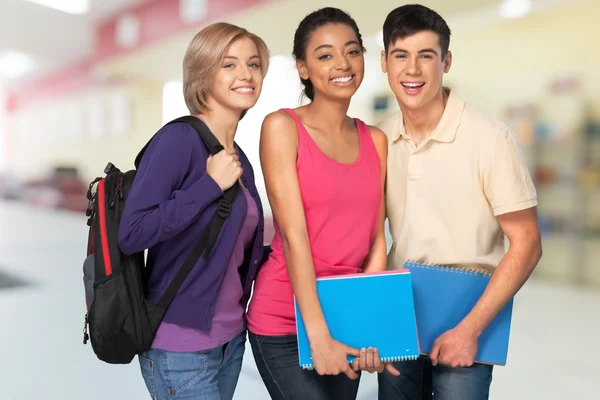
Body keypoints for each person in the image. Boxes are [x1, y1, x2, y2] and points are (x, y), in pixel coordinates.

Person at [376, 4, 543, 400]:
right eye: (400, 55)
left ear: (446, 61)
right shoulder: (378, 138)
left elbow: (527, 244)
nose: (412, 70)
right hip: (401, 314)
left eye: (426, 56)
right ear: (384, 62)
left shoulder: (490, 139)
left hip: (471, 315)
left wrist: (470, 329)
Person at [245, 7, 397, 400]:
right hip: (286, 319)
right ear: (303, 68)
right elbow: (294, 237)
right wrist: (319, 336)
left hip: (346, 316)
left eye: (352, 51)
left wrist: (366, 327)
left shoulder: (376, 141)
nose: (343, 64)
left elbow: (376, 240)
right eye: (325, 55)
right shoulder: (282, 128)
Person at [117, 22, 269, 400]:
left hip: (231, 340)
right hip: (179, 346)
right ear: (203, 73)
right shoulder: (178, 139)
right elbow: (132, 232)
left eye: (253, 64)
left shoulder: (240, 159)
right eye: (229, 64)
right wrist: (208, 186)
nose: (246, 74)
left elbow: (227, 248)